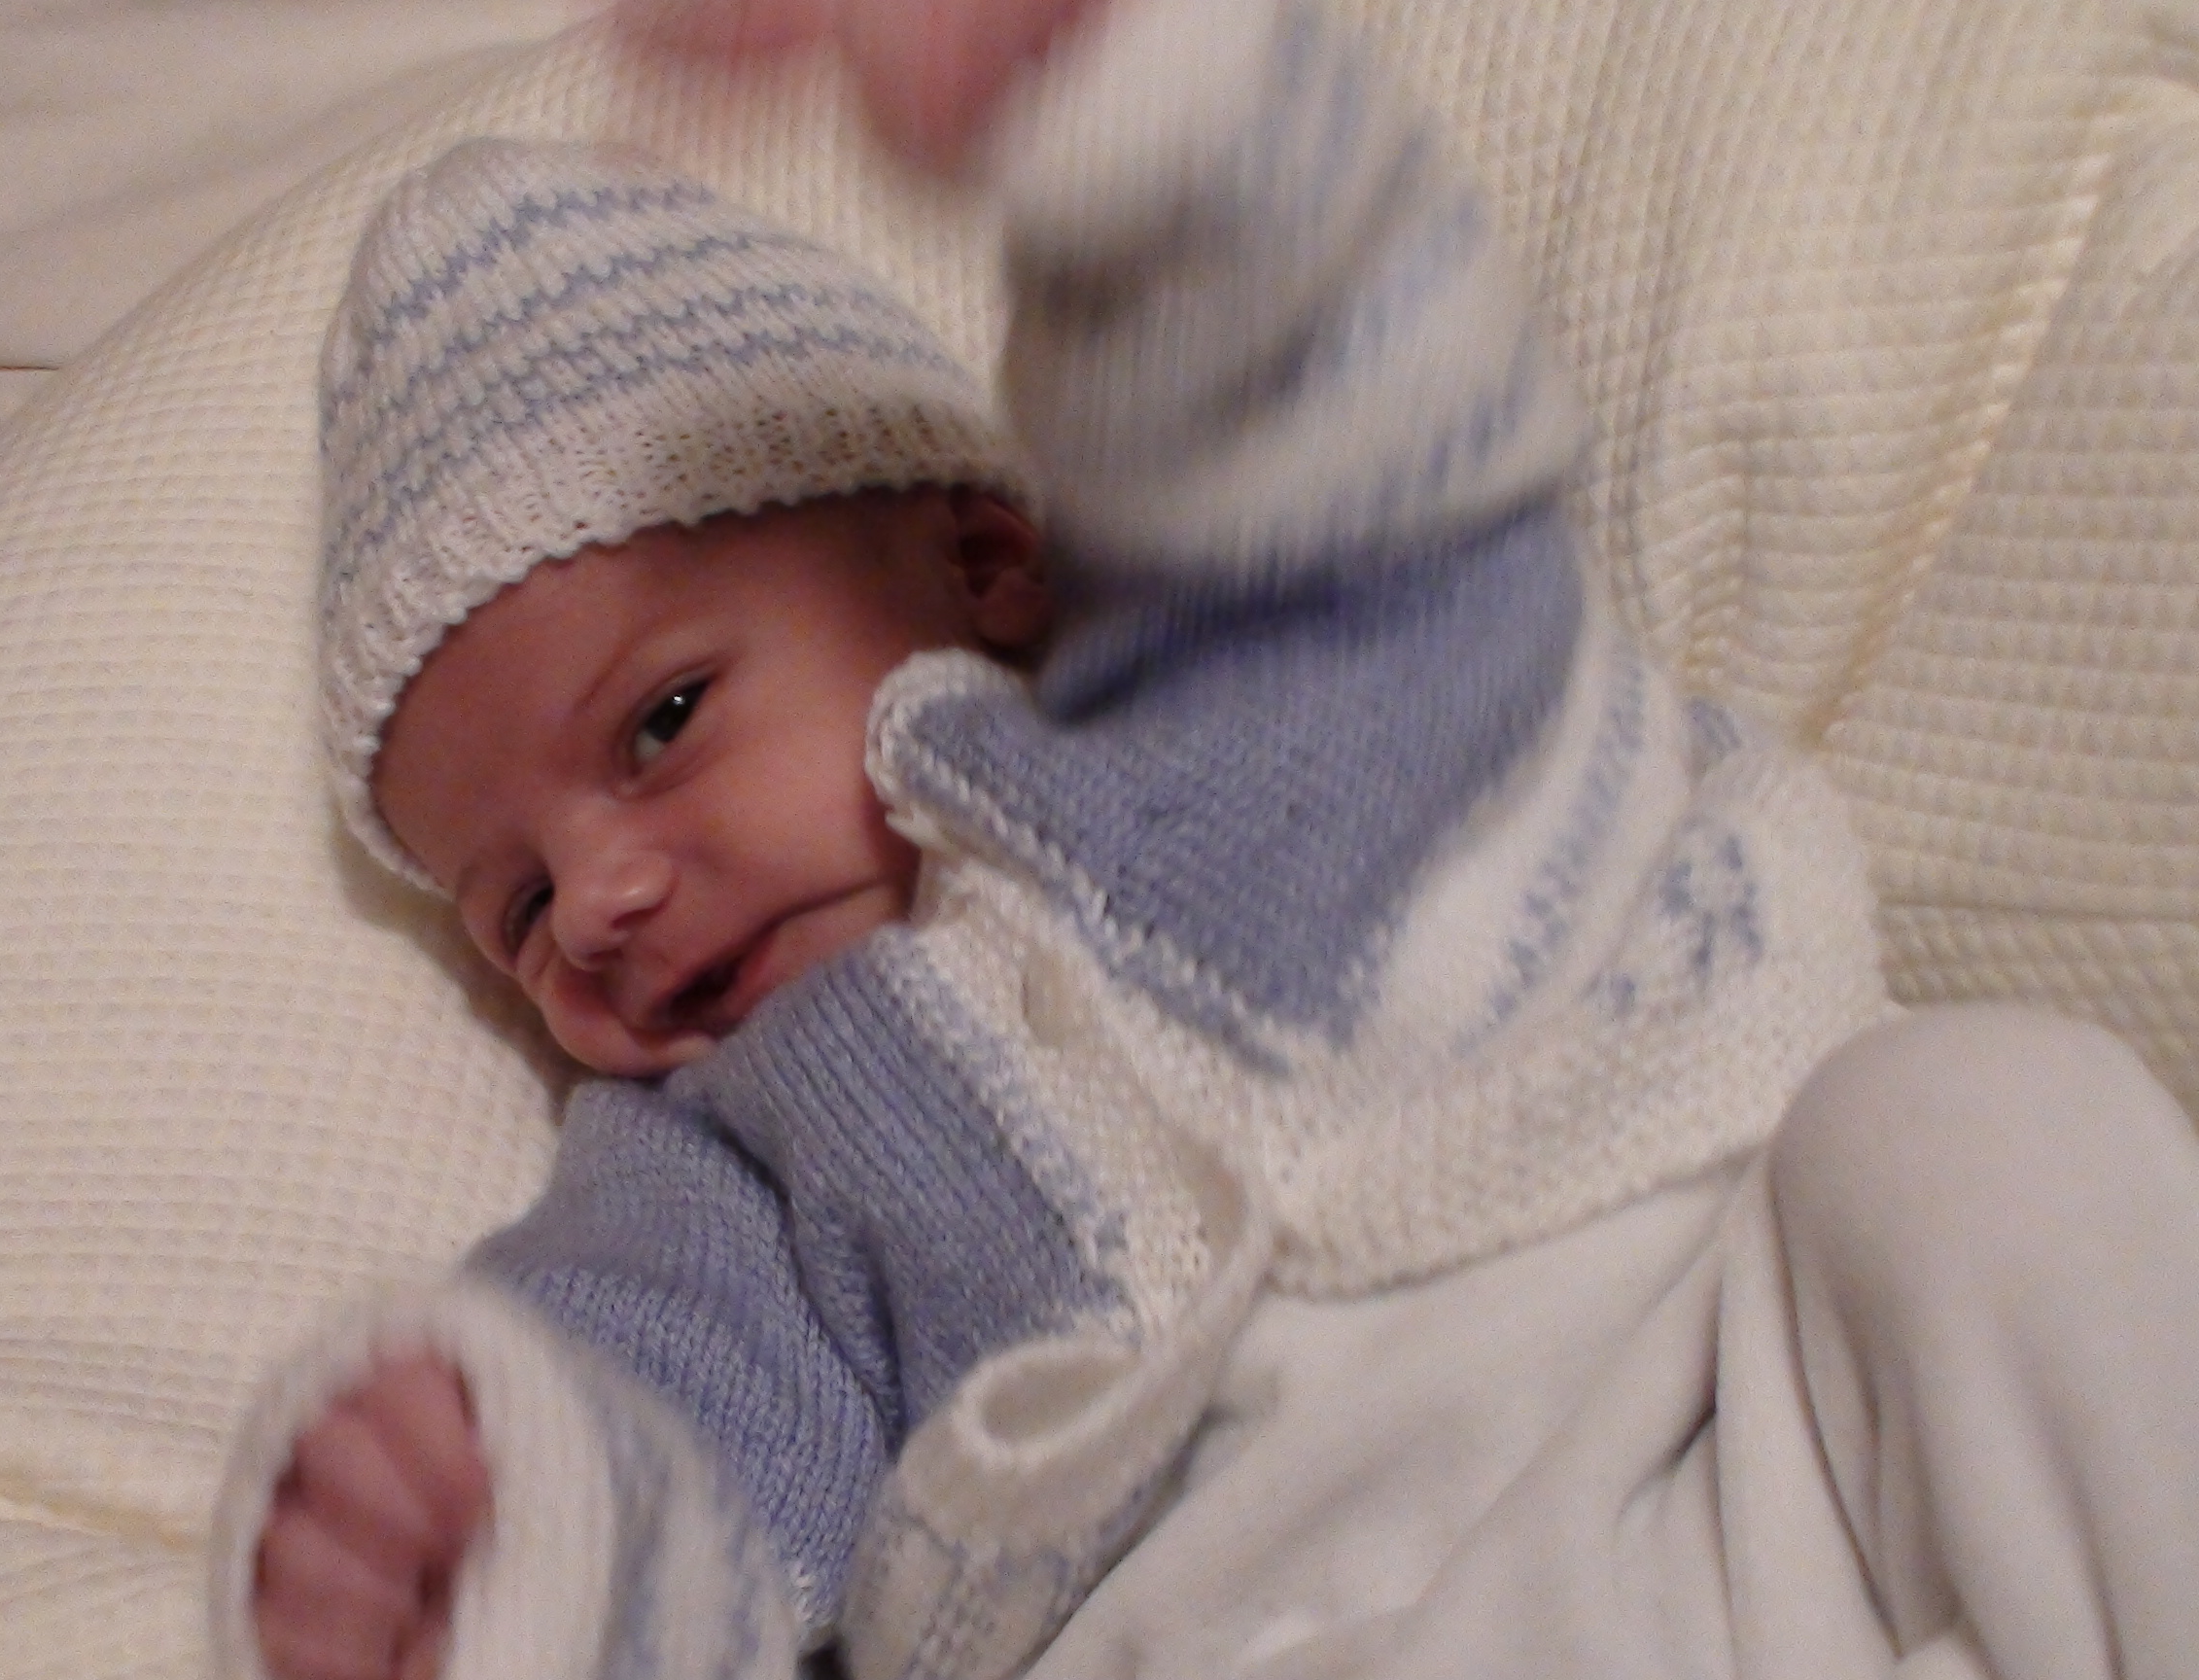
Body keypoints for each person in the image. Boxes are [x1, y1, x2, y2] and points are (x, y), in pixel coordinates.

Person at [215, 2, 2199, 1679]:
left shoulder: (1221, 717)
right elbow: (656, 1417)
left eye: (661, 725)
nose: (602, 906)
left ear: (989, 560)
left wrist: (1128, 124)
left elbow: (1317, 447)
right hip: (1273, 1617)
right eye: (514, 906)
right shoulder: (717, 1160)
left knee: (1975, 1129)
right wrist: (481, 1527)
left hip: (1745, 1402)